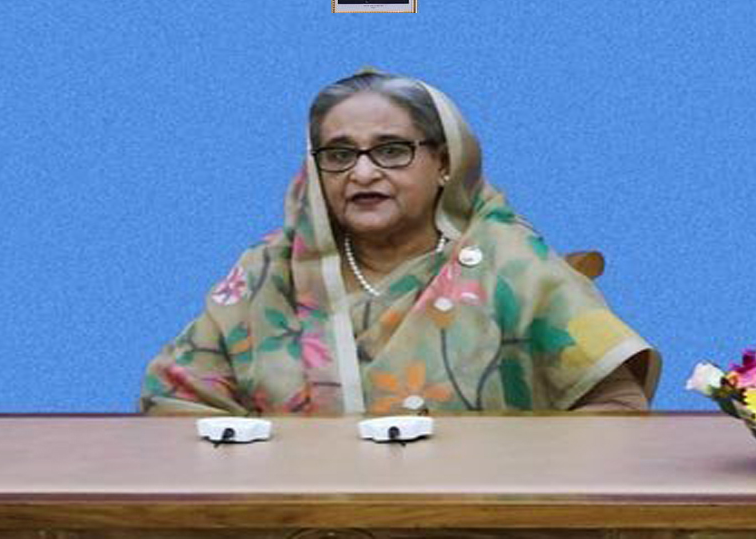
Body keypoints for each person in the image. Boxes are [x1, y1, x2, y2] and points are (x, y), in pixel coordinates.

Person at [140, 72, 660, 415]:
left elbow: (616, 405)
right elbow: (175, 401)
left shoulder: (511, 265)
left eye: (391, 150)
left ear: (444, 163)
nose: (363, 173)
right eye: (339, 155)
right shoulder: (269, 271)